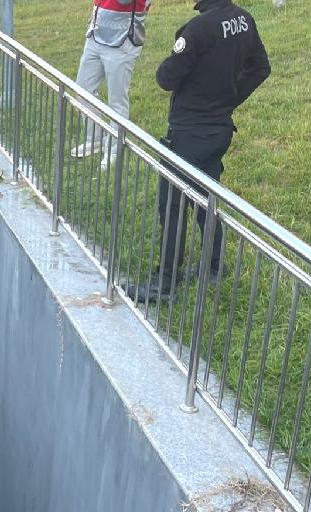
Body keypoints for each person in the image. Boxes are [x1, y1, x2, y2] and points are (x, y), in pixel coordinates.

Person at [125, 0, 270, 302]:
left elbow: (165, 79)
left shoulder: (198, 30)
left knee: (173, 203)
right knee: (207, 199)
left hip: (190, 131)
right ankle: (216, 267)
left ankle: (164, 283)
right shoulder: (243, 19)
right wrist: (230, 99)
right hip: (219, 128)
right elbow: (260, 68)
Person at [69, 0, 151, 168]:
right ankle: (96, 139)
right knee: (82, 89)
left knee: (117, 100)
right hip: (96, 33)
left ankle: (114, 149)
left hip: (123, 39)